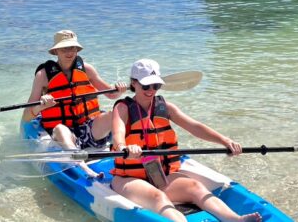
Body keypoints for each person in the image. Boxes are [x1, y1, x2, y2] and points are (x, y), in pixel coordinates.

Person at [110, 59, 262, 222]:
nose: (151, 90)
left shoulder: (165, 107)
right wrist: (124, 147)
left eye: (156, 86)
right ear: (134, 82)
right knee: (158, 197)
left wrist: (225, 141)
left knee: (195, 187)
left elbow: (194, 126)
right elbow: (118, 133)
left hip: (161, 175)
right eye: (146, 86)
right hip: (129, 180)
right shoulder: (122, 108)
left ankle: (235, 220)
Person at [23, 30, 127, 153]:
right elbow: (26, 116)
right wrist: (40, 106)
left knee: (113, 115)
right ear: (56, 51)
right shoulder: (42, 76)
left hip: (89, 128)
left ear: (77, 49)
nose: (69, 52)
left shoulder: (87, 69)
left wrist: (119, 90)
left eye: (72, 48)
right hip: (62, 133)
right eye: (64, 49)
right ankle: (79, 162)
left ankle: (120, 148)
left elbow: (110, 94)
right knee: (61, 130)